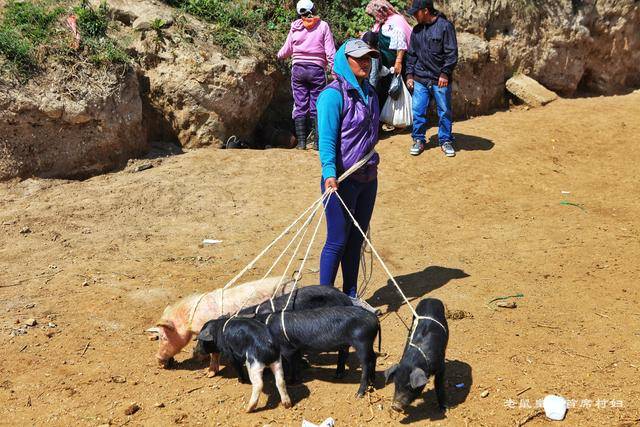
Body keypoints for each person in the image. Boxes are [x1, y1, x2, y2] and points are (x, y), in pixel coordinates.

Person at [316, 39, 381, 313]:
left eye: (368, 58)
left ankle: (351, 296)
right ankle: (323, 303)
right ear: (345, 60)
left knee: (357, 237)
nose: (365, 62)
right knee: (337, 240)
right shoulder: (332, 96)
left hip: (367, 177)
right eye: (359, 58)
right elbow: (327, 139)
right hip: (341, 180)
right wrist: (330, 173)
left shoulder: (371, 94)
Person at [277, 0, 336, 150]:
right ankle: (317, 143)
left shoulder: (295, 26)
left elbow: (287, 49)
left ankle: (302, 143)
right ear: (314, 9)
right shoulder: (323, 26)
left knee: (300, 104)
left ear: (299, 13)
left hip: (298, 70)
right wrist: (335, 71)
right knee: (317, 105)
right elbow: (330, 52)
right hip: (316, 70)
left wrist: (279, 55)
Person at [406, 0, 458, 157]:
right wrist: (409, 74)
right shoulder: (416, 30)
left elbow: (452, 53)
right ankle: (419, 139)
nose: (414, 16)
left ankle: (445, 140)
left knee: (444, 111)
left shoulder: (445, 27)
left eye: (416, 12)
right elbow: (412, 55)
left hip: (440, 78)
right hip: (420, 77)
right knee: (418, 110)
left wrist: (445, 73)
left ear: (425, 11)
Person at [364, 0, 413, 109]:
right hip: (386, 65)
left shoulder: (396, 21)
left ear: (381, 11)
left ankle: (404, 121)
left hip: (400, 64)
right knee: (388, 90)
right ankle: (388, 119)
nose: (373, 18)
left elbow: (401, 43)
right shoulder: (381, 22)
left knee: (399, 90)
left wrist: (398, 62)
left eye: (374, 14)